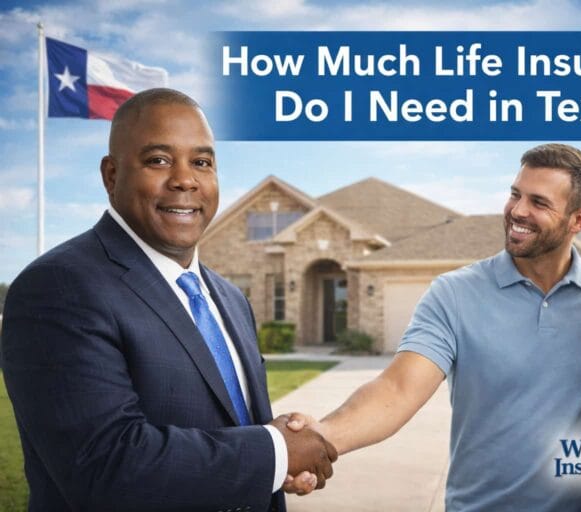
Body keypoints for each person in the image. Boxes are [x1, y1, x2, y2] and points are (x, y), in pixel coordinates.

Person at [285, 144, 581, 511]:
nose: (517, 210)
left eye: (538, 201)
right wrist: (323, 437)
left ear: (578, 220)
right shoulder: (455, 293)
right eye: (515, 194)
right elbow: (397, 388)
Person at [1, 88, 334, 512]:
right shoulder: (59, 287)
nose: (185, 179)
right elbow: (106, 465)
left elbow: (235, 432)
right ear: (111, 175)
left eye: (202, 162)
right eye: (158, 160)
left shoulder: (230, 299)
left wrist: (274, 463)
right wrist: (276, 451)